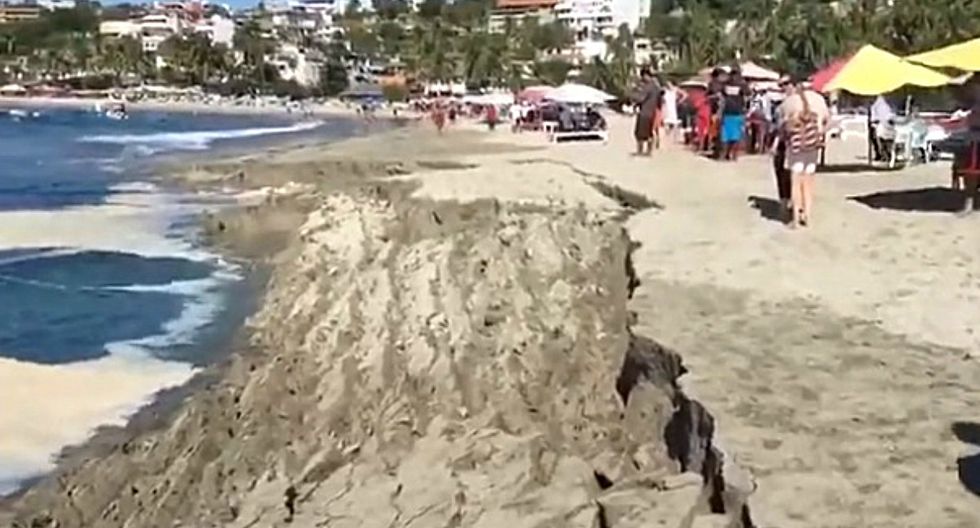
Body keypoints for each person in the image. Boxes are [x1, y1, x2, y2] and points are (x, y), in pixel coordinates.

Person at [779, 78, 829, 228]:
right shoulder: (819, 100)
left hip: (796, 146)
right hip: (812, 144)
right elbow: (827, 120)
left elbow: (782, 125)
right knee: (808, 181)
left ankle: (795, 218)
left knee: (796, 182)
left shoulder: (790, 101)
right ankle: (806, 214)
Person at [952, 74, 980, 214]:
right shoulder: (971, 84)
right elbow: (961, 96)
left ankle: (969, 203)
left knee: (972, 172)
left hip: (975, 132)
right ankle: (969, 203)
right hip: (976, 133)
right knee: (971, 172)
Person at [720, 66, 750, 160]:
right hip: (736, 112)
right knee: (735, 135)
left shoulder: (725, 84)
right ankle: (733, 155)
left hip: (729, 112)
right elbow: (748, 94)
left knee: (726, 135)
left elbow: (722, 95)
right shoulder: (742, 84)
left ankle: (726, 154)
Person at [631, 67, 662, 156]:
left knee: (639, 134)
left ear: (645, 75)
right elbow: (660, 100)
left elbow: (640, 98)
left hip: (645, 112)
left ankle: (640, 151)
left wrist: (633, 94)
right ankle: (649, 151)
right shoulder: (657, 86)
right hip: (653, 112)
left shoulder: (648, 86)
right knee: (649, 133)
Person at [869, 95, 896, 161]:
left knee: (879, 139)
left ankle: (884, 154)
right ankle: (883, 154)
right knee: (878, 138)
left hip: (884, 126)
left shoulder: (880, 104)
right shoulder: (879, 103)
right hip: (882, 125)